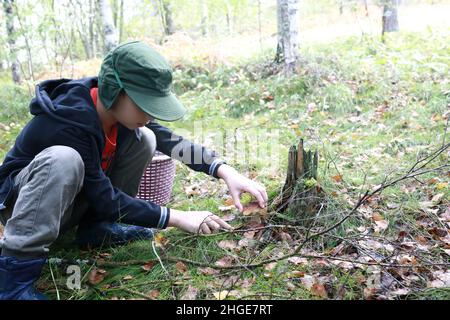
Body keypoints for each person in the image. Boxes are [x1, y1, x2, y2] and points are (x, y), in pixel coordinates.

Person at [0, 41, 267, 300]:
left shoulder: (113, 111)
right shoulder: (69, 122)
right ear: (115, 91)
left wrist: (223, 170)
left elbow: (170, 141)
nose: (150, 114)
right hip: (23, 208)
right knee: (64, 159)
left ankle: (97, 230)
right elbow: (106, 198)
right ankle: (12, 281)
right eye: (143, 104)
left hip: (70, 204)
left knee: (146, 137)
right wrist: (176, 217)